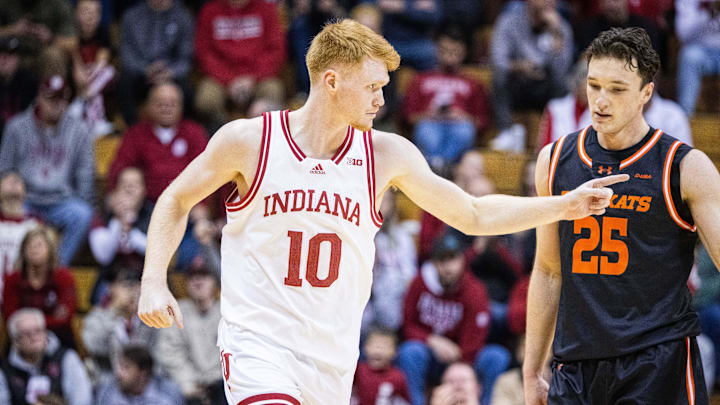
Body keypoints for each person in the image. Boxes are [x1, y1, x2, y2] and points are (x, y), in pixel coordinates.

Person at [137, 19, 626, 405]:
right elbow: (175, 198)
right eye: (372, 86)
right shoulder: (250, 141)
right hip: (257, 345)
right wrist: (154, 280)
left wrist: (564, 206)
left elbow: (473, 213)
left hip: (331, 358)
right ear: (332, 81)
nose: (382, 98)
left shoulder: (386, 154)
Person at [523, 27, 720, 405]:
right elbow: (548, 270)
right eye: (594, 85)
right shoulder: (554, 160)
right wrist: (533, 370)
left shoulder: (684, 167)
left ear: (646, 93)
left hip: (657, 362)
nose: (600, 100)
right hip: (575, 366)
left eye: (616, 89)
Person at [397, 233, 508, 405]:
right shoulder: (419, 282)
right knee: (410, 352)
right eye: (442, 260)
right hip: (431, 353)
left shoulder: (475, 290)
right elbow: (408, 324)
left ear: (462, 260)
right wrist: (431, 340)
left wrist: (461, 360)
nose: (448, 266)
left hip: (465, 355)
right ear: (434, 262)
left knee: (496, 357)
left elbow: (477, 336)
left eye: (453, 259)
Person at [0, 74, 95, 266]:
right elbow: (5, 169)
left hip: (62, 201)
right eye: (50, 98)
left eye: (61, 99)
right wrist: (12, 198)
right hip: (26, 199)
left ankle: (55, 268)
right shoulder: (17, 127)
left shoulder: (79, 130)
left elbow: (85, 174)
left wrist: (83, 198)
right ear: (39, 97)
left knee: (83, 213)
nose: (56, 104)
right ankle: (19, 271)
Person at [155, 265, 223, 405]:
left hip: (222, 384)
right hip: (187, 386)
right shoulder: (176, 311)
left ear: (214, 281)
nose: (198, 281)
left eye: (204, 276)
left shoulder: (227, 311)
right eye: (192, 277)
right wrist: (189, 381)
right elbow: (169, 353)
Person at [2, 227, 78, 349]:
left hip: (58, 337)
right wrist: (47, 321)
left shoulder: (64, 277)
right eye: (30, 245)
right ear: (23, 250)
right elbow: (10, 316)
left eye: (39, 245)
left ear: (50, 250)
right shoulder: (13, 279)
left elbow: (65, 318)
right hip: (21, 339)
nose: (34, 249)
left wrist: (29, 323)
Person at [0, 308, 92, 405]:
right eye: (27, 334)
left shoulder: (66, 358)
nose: (34, 337)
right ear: (15, 341)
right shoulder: (5, 369)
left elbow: (82, 400)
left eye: (38, 330)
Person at [94, 344, 184, 405]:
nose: (119, 372)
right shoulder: (107, 391)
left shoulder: (165, 397)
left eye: (126, 367)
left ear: (143, 373)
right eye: (120, 366)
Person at [675, 0, 720, 116]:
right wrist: (707, 14)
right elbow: (682, 34)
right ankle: (686, 118)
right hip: (700, 50)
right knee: (689, 57)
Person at [0, 172, 40, 293]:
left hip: (22, 293)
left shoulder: (35, 225)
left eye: (18, 181)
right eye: (8, 180)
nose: (13, 182)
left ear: (25, 192)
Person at [352, 328, 410, 405]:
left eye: (384, 346)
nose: (378, 350)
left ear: (394, 352)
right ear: (365, 348)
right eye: (374, 345)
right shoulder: (358, 370)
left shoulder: (398, 377)